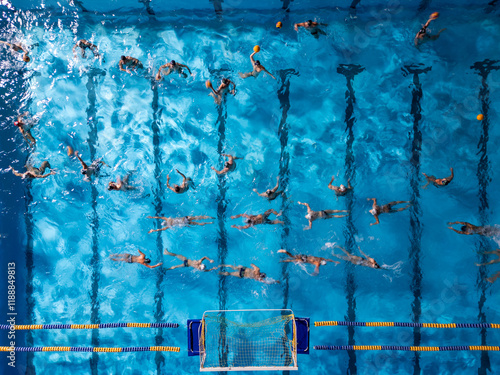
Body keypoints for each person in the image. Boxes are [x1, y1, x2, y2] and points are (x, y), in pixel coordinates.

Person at [147, 215, 214, 233]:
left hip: (184, 223)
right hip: (184, 219)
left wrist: (154, 230)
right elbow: (160, 217)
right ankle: (209, 217)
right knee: (197, 217)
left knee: (197, 224)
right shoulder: (168, 219)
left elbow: (162, 229)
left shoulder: (169, 226)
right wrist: (152, 217)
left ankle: (208, 223)